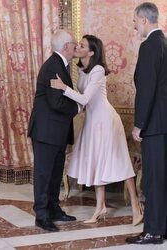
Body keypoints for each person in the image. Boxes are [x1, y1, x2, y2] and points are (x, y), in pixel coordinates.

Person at [50, 34, 143, 226]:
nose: (76, 47)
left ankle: (136, 206)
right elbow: (84, 104)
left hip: (106, 121)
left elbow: (84, 99)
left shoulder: (99, 70)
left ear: (91, 51)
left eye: (81, 45)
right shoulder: (83, 71)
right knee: (96, 163)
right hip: (92, 122)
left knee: (121, 163)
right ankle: (100, 207)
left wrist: (63, 87)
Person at [28, 30, 79, 232]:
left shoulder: (62, 65)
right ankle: (41, 215)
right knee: (44, 174)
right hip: (46, 131)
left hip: (56, 131)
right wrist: (77, 107)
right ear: (66, 47)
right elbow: (56, 102)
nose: (75, 46)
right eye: (74, 44)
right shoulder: (53, 67)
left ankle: (54, 209)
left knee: (55, 173)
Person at [125, 2, 167, 245]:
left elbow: (147, 90)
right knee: (162, 177)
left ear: (143, 20)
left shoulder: (150, 46)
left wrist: (139, 124)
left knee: (152, 178)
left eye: (134, 21)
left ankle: (152, 231)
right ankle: (162, 226)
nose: (134, 25)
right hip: (163, 124)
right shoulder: (164, 43)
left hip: (153, 125)